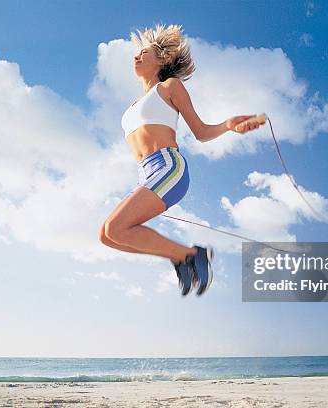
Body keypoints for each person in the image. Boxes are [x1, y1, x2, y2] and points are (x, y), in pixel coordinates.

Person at [99, 23, 261, 296]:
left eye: (144, 53)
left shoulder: (169, 87)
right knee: (107, 236)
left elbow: (201, 132)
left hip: (168, 166)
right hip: (146, 173)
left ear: (162, 60)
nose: (136, 57)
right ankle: (181, 256)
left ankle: (190, 255)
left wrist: (228, 125)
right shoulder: (130, 108)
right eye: (136, 54)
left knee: (116, 227)